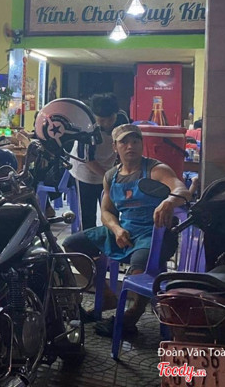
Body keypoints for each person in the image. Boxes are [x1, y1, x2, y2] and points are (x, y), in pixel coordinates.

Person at [63, 123, 191, 338]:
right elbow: (106, 211)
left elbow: (182, 190)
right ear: (115, 147)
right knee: (72, 245)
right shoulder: (111, 176)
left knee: (139, 267)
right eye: (124, 142)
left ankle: (132, 315)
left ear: (141, 144)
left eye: (135, 141)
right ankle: (106, 296)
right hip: (125, 230)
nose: (130, 146)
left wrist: (169, 201)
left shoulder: (156, 169)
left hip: (155, 233)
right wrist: (116, 229)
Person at [68, 93, 127, 230]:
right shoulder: (86, 127)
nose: (107, 124)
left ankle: (110, 239)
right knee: (87, 214)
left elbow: (124, 145)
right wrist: (109, 177)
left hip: (108, 167)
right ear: (94, 117)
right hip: (85, 171)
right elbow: (88, 160)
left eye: (110, 119)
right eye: (101, 120)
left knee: (111, 212)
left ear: (116, 114)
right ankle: (88, 241)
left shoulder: (122, 120)